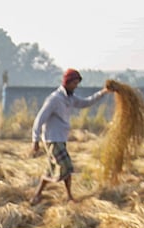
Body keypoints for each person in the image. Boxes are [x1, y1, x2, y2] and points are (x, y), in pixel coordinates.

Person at [30, 68, 109, 204]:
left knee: (53, 168)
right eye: (74, 83)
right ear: (67, 82)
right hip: (52, 139)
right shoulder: (55, 99)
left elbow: (86, 102)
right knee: (67, 166)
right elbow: (40, 118)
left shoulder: (70, 98)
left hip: (61, 138)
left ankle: (39, 195)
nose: (76, 86)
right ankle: (68, 196)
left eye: (77, 83)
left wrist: (103, 92)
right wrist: (35, 140)